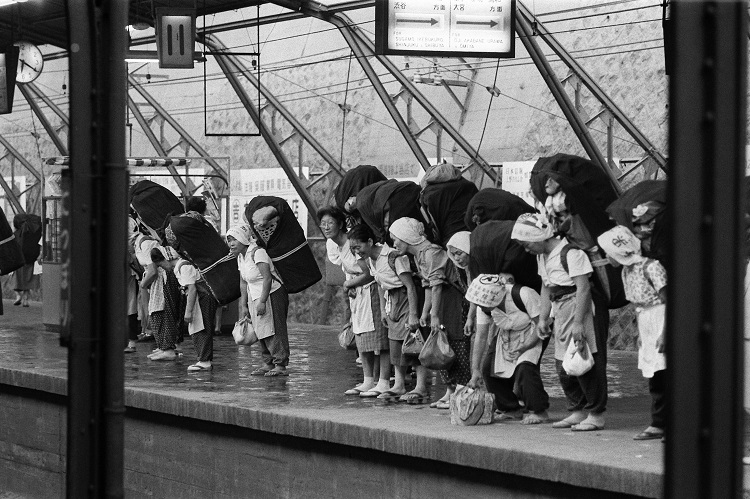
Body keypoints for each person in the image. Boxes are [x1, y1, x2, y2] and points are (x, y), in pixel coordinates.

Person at [511, 212, 606, 432]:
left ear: (540, 237)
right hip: (560, 308)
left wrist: (579, 323)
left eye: (527, 245)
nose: (527, 250)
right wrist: (543, 318)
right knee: (563, 363)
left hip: (579, 307)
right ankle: (577, 409)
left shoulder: (571, 253)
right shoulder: (542, 256)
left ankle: (596, 413)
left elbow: (583, 288)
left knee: (586, 359)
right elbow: (547, 286)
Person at [389, 217, 472, 405]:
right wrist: (425, 313)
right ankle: (450, 390)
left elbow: (436, 285)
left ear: (407, 236)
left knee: (455, 344)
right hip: (441, 300)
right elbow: (428, 285)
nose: (394, 243)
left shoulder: (431, 253)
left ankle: (461, 390)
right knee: (441, 343)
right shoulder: (420, 255)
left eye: (396, 238)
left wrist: (434, 314)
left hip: (453, 300)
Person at [598, 226, 667, 440]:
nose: (606, 257)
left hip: (660, 317)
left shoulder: (652, 267)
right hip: (646, 319)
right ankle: (659, 423)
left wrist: (665, 333)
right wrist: (640, 333)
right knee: (655, 374)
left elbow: (669, 299)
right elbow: (637, 304)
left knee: (666, 373)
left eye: (608, 253)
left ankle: (668, 422)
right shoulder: (626, 271)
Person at [318, 206, 390, 397]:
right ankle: (368, 380)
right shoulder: (336, 246)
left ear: (340, 224)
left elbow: (369, 274)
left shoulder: (354, 243)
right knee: (361, 337)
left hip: (370, 292)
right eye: (323, 223)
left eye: (330, 223)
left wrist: (349, 284)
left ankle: (383, 380)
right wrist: (350, 285)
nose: (326, 227)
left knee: (378, 338)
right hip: (356, 295)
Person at [347, 223, 423, 399]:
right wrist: (383, 310)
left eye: (358, 247)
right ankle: (398, 385)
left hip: (405, 298)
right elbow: (380, 284)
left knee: (412, 342)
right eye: (353, 249)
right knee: (395, 344)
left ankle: (419, 387)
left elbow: (410, 286)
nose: (357, 252)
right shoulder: (370, 260)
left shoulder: (392, 256)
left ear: (370, 241)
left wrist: (413, 314)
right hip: (391, 301)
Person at [465, 273, 550, 424]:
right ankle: (510, 408)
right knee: (488, 369)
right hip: (507, 334)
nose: (480, 307)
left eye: (483, 305)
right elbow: (481, 336)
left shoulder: (523, 294)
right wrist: (475, 369)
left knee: (525, 368)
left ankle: (539, 411)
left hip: (533, 331)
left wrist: (526, 346)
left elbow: (542, 322)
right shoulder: (484, 305)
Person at [227, 223, 290, 377]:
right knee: (260, 329)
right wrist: (244, 305)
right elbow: (243, 282)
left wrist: (262, 301)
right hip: (253, 295)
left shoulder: (258, 252)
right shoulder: (241, 257)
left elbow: (267, 278)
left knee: (274, 329)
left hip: (271, 293)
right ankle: (267, 363)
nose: (231, 243)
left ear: (243, 239)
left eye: (234, 239)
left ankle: (280, 365)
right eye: (229, 240)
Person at [142, 246, 184, 361]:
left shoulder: (178, 269)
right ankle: (164, 347)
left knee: (167, 316)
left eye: (161, 263)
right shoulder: (170, 270)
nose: (161, 266)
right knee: (160, 316)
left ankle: (169, 349)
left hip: (171, 294)